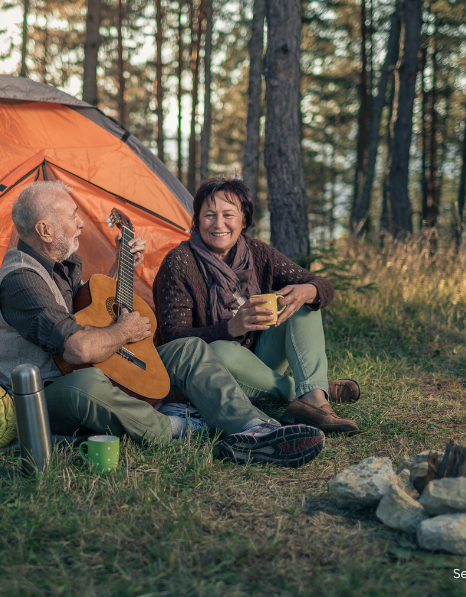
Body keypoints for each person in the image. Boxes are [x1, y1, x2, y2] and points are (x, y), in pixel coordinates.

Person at [0, 180, 326, 467]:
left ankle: (255, 427)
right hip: (47, 391)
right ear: (45, 230)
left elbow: (87, 313)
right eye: (73, 216)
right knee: (88, 386)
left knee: (189, 349)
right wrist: (124, 331)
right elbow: (76, 348)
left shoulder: (60, 265)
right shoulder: (22, 280)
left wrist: (121, 267)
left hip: (92, 364)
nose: (80, 224)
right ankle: (177, 427)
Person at [152, 176, 361, 434]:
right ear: (197, 220)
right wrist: (230, 328)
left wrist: (310, 289)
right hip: (212, 376)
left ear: (244, 220)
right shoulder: (179, 263)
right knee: (220, 350)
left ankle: (312, 399)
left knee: (303, 304)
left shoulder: (259, 253)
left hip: (259, 362)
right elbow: (174, 338)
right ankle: (311, 391)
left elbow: (322, 286)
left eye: (228, 214)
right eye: (209, 215)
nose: (219, 224)